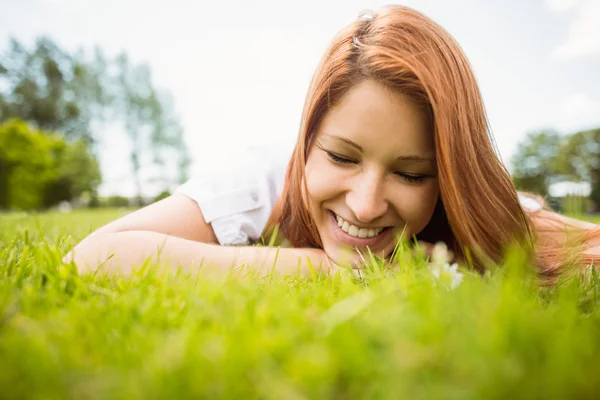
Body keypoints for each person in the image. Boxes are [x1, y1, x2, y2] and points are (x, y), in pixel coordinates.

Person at [66, 5, 600, 284]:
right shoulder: (263, 175)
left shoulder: (482, 209)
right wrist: (337, 269)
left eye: (413, 174)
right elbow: (94, 256)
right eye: (341, 157)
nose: (366, 204)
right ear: (307, 139)